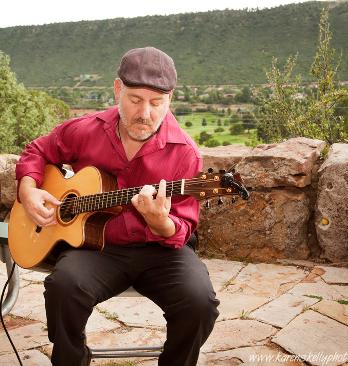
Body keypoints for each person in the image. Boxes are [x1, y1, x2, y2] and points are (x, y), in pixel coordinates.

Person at [15, 46, 220, 366]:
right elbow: (38, 150)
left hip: (161, 251)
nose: (145, 113)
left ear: (171, 99)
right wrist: (28, 189)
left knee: (200, 303)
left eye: (157, 103)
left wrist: (160, 222)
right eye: (135, 99)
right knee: (63, 287)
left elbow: (182, 229)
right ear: (117, 90)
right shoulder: (85, 129)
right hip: (96, 247)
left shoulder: (185, 153)